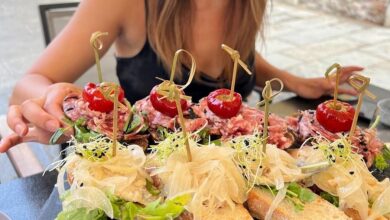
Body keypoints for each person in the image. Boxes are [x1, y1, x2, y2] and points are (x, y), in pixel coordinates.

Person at [0, 0, 362, 152]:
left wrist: (296, 81)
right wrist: (52, 100)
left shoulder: (247, 4)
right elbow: (30, 82)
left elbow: (239, 56)